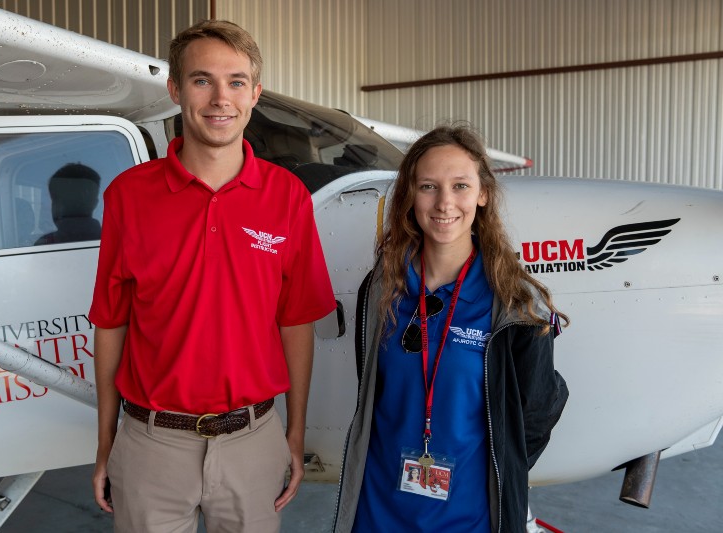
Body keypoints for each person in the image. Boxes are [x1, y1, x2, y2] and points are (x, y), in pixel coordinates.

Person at [89, 19, 336, 533]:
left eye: (236, 82)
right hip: (151, 444)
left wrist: (293, 433)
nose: (220, 98)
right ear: (176, 90)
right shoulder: (127, 196)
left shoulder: (287, 196)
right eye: (202, 80)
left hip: (253, 441)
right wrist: (106, 441)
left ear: (255, 94)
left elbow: (296, 325)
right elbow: (110, 323)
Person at [333, 125, 569, 532]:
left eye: (460, 185)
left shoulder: (517, 304)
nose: (444, 203)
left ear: (483, 194)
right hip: (378, 510)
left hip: (469, 515)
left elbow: (537, 412)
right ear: (410, 195)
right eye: (428, 186)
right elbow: (375, 392)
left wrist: (497, 469)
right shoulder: (381, 288)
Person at [34, 163, 102, 245]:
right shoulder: (116, 241)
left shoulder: (43, 245)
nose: (61, 207)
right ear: (95, 203)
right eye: (57, 199)